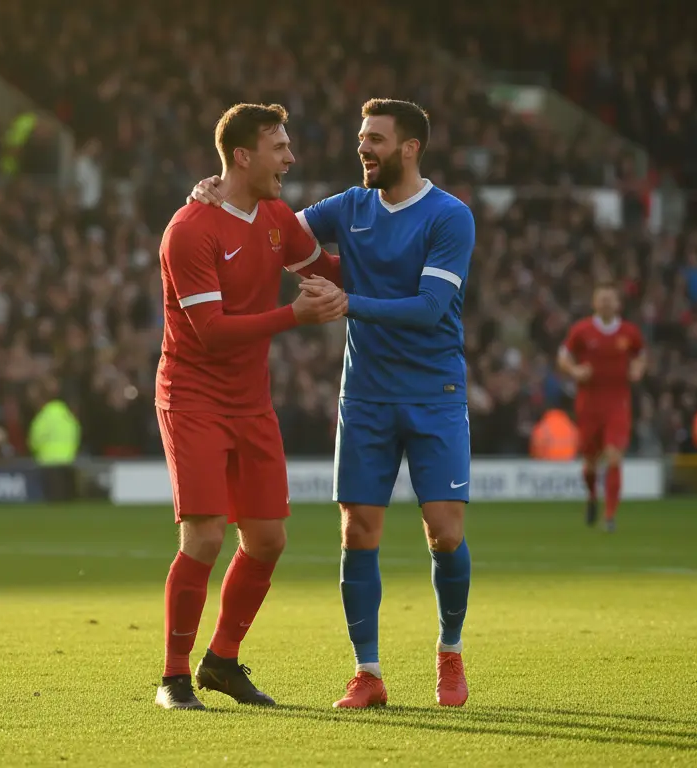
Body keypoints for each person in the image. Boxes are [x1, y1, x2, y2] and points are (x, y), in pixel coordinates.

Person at [189, 98, 477, 709]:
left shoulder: (450, 217)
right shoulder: (349, 207)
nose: (363, 147)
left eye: (375, 138)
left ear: (410, 147)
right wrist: (219, 189)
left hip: (435, 393)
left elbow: (429, 311)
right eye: (360, 137)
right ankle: (367, 673)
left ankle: (449, 653)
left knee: (446, 534)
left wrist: (349, 304)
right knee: (358, 530)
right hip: (366, 395)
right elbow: (269, 225)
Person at [155, 103, 347, 711]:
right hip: (193, 397)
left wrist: (410, 258)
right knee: (205, 537)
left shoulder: (276, 216)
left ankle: (222, 661)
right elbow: (210, 330)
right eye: (279, 147)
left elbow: (327, 268)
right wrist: (296, 315)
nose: (290, 157)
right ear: (243, 155)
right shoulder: (190, 228)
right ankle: (173, 678)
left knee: (267, 540)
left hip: (250, 401)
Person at [556, 282, 646, 532]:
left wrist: (638, 368)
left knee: (614, 454)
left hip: (617, 402)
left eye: (610, 299)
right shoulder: (582, 330)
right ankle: (592, 497)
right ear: (595, 303)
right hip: (589, 403)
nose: (606, 303)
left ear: (618, 304)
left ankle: (610, 516)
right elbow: (563, 355)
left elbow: (641, 354)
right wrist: (574, 370)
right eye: (601, 299)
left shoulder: (629, 332)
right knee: (591, 461)